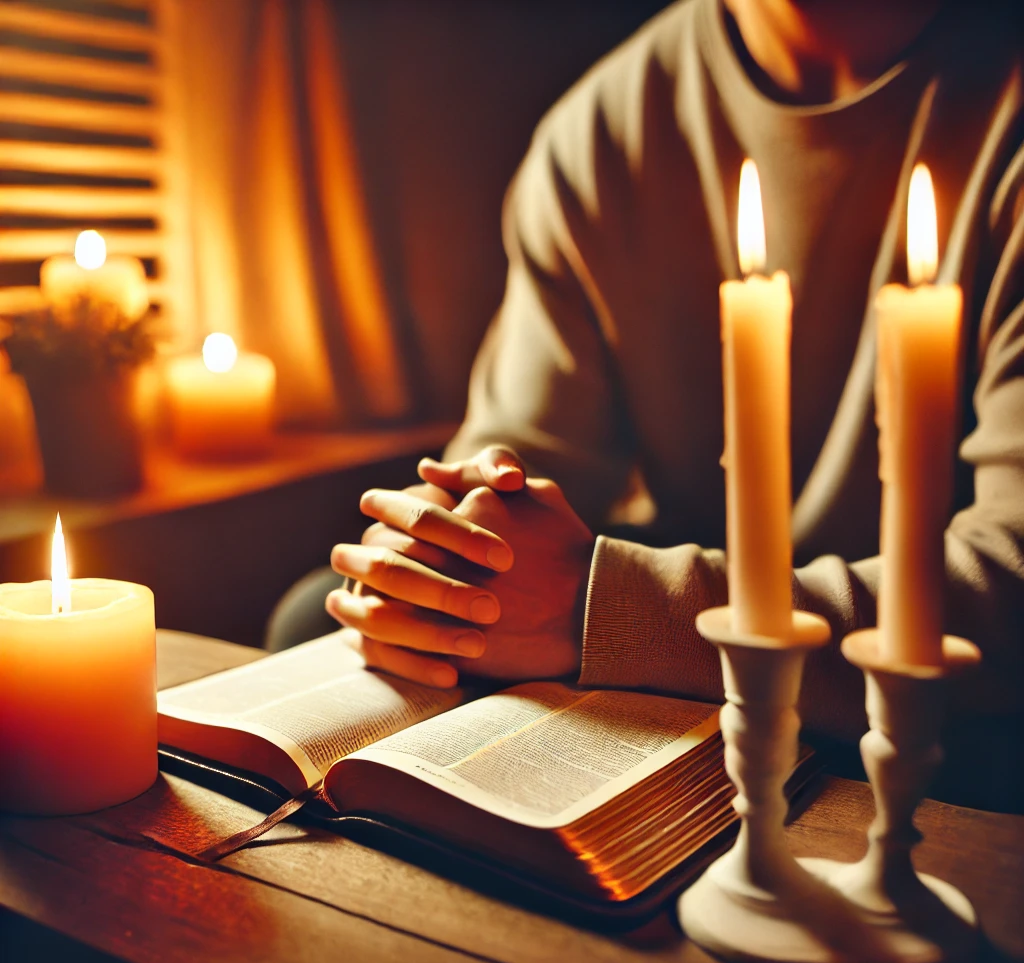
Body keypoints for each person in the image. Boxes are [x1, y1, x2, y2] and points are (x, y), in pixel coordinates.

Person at [272, 0, 1024, 772]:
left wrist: (609, 609)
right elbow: (522, 453)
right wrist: (456, 545)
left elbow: (1012, 590)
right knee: (321, 614)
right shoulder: (599, 132)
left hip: (914, 699)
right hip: (670, 660)